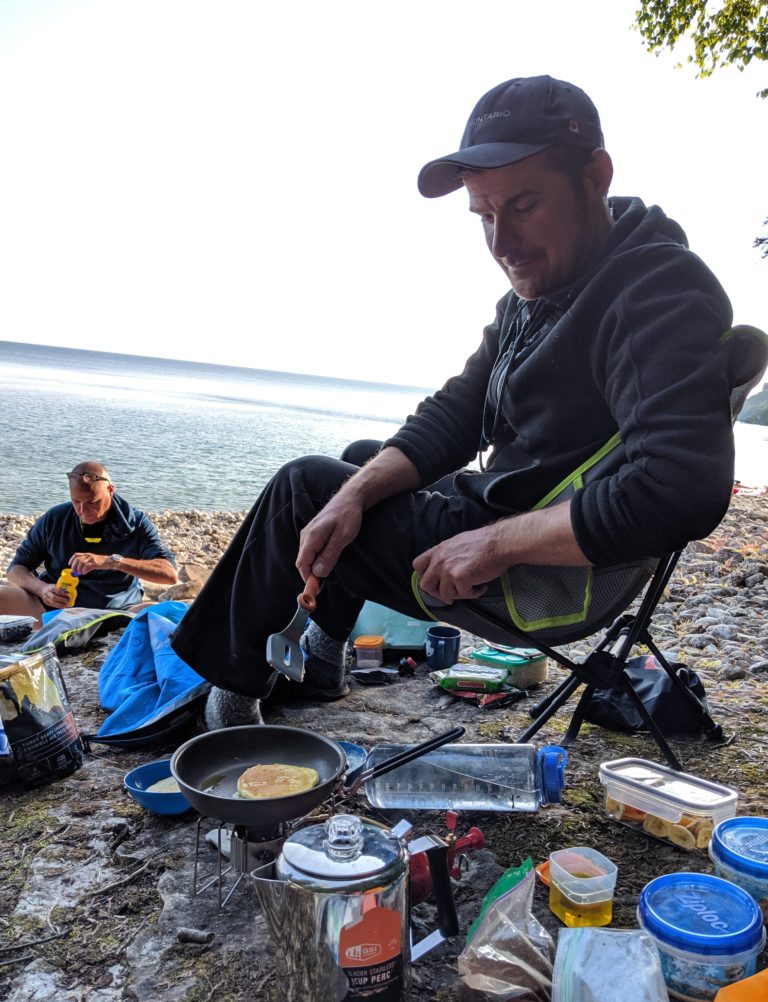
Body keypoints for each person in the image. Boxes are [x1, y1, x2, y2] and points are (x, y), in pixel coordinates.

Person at [171, 74, 735, 729]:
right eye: (485, 216)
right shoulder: (546, 289)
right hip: (521, 511)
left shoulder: (655, 293)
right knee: (356, 471)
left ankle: (231, 710)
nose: (502, 244)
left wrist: (495, 545)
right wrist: (355, 494)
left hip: (549, 576)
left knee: (301, 488)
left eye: (523, 206)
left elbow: (682, 487)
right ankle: (322, 661)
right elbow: (457, 411)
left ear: (595, 176)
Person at [1, 461, 179, 625]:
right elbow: (16, 570)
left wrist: (112, 562)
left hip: (117, 614)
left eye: (92, 502)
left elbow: (169, 574)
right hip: (53, 612)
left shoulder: (136, 522)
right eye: (76, 501)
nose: (82, 511)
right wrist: (43, 590)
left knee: (180, 612)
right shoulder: (55, 518)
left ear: (110, 490)